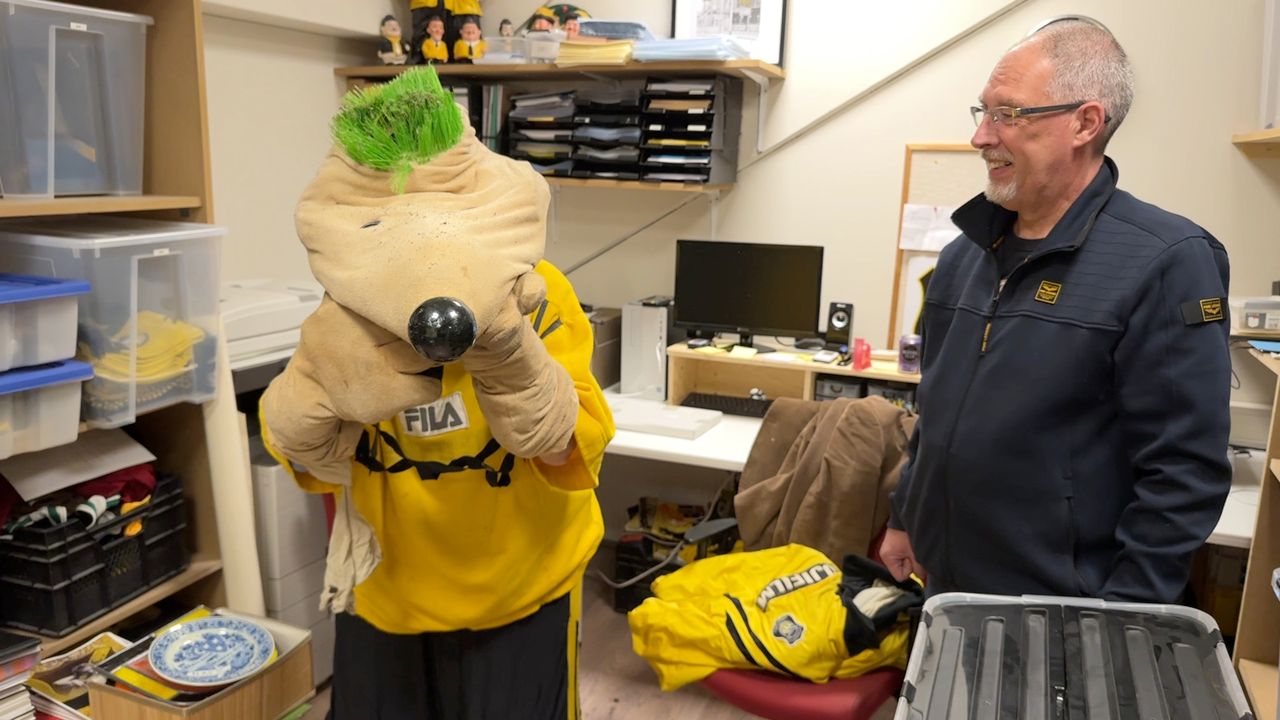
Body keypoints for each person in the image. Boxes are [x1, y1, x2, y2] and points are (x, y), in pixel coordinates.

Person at [260, 68, 614, 719]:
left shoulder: (538, 295)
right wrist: (302, 410)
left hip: (522, 592)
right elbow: (311, 465)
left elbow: (576, 451)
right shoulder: (345, 311)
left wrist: (516, 361)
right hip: (385, 594)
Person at [881, 17, 1232, 604]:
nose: (982, 137)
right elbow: (935, 414)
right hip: (948, 591)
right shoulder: (962, 256)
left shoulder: (1166, 261)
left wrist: (1121, 619)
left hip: (1067, 610)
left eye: (1009, 115)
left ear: (1085, 122)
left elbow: (1184, 472)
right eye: (983, 112)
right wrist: (903, 514)